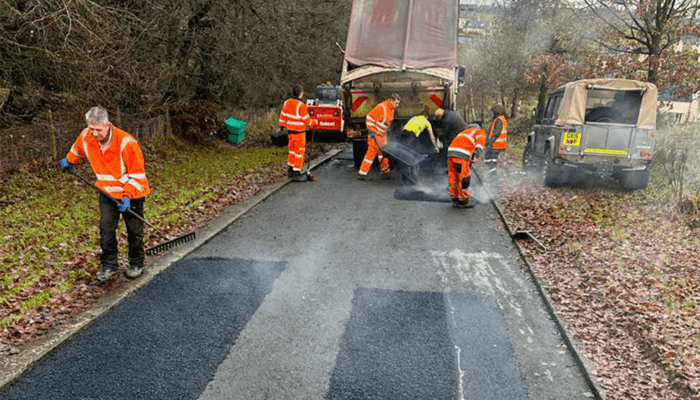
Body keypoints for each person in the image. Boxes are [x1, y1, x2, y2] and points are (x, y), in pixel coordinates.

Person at [59, 106, 150, 281]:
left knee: (134, 230)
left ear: (107, 125)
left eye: (98, 130)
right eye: (91, 128)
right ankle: (109, 266)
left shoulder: (127, 143)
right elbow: (77, 151)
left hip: (132, 193)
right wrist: (68, 160)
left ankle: (137, 263)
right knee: (106, 229)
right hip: (107, 192)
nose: (94, 133)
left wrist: (127, 196)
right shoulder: (86, 136)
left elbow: (138, 176)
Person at [357, 93, 401, 181]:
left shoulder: (391, 108)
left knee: (384, 152)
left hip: (382, 134)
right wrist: (372, 130)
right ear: (391, 100)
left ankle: (385, 170)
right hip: (375, 134)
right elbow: (369, 117)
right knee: (372, 152)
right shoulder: (382, 107)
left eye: (398, 103)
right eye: (396, 103)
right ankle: (362, 173)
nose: (398, 105)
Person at [279, 85, 317, 182]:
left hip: (290, 132)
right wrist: (314, 123)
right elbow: (307, 120)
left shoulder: (287, 102)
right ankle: (297, 172)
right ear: (300, 93)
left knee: (292, 151)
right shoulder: (301, 106)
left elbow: (283, 116)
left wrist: (282, 126)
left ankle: (290, 170)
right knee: (299, 153)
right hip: (299, 133)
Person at [446, 123, 486, 208]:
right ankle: (463, 201)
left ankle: (455, 199)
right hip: (461, 155)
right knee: (464, 177)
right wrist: (476, 156)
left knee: (453, 176)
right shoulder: (479, 131)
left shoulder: (464, 132)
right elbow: (480, 144)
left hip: (450, 153)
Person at [484, 104, 508, 179]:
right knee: (492, 160)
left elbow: (496, 133)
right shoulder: (501, 119)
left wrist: (489, 142)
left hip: (496, 145)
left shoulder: (499, 120)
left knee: (488, 159)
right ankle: (493, 175)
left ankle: (494, 175)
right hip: (498, 145)